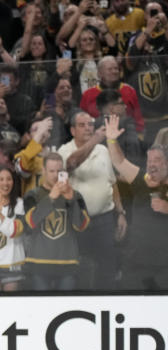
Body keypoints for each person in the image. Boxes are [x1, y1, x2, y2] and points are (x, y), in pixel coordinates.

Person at [58, 111, 125, 289]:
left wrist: (120, 212)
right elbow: (70, 164)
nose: (88, 128)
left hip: (104, 219)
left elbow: (112, 182)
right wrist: (94, 140)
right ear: (72, 130)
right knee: (78, 267)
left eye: (90, 124)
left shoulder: (103, 150)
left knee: (107, 265)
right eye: (82, 125)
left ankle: (106, 304)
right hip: (76, 220)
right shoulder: (64, 150)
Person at [104, 115, 168, 289]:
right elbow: (119, 162)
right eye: (149, 160)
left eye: (157, 161)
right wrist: (111, 140)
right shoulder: (141, 179)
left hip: (165, 267)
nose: (152, 165)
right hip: (138, 263)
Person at [22, 152, 90, 290]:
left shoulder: (76, 196)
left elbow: (81, 226)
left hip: (68, 263)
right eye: (51, 171)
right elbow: (31, 223)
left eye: (59, 171)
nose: (55, 175)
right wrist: (50, 198)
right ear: (44, 171)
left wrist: (71, 200)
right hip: (38, 263)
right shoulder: (33, 195)